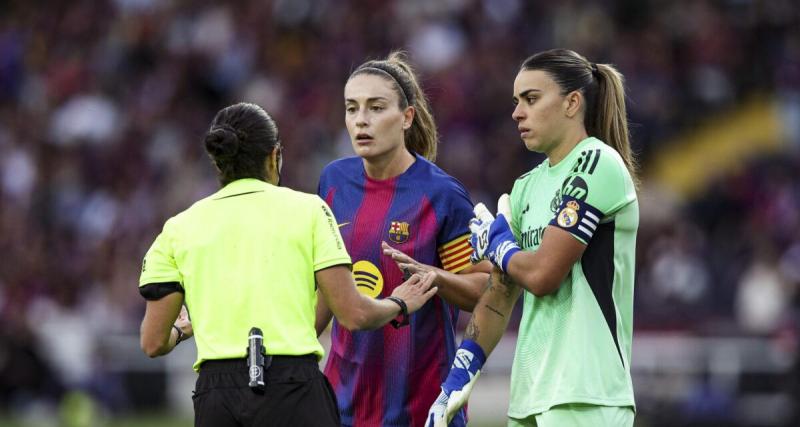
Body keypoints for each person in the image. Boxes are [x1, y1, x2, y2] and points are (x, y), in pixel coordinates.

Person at [137, 102, 438, 427]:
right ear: (274, 155)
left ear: (218, 162)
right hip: (293, 390)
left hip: (216, 398)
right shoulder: (309, 210)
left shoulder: (179, 228)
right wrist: (399, 302)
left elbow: (153, 343)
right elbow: (354, 315)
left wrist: (182, 330)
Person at [427, 48, 639, 427]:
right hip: (530, 395)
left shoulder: (596, 162)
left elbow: (542, 276)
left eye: (531, 99)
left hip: (586, 394)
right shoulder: (526, 187)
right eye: (515, 101)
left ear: (573, 103)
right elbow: (500, 293)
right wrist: (460, 373)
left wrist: (501, 246)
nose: (517, 113)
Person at [315, 52, 491, 426]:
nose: (361, 120)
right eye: (352, 108)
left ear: (406, 117)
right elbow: (325, 290)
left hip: (422, 407)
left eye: (376, 108)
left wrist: (433, 276)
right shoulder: (332, 184)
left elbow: (483, 288)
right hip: (342, 404)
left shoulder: (441, 195)